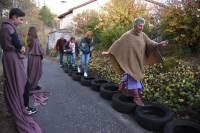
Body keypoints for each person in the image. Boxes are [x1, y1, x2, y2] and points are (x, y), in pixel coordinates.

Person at [102, 17, 168, 106]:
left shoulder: (143, 35)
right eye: (140, 26)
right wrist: (109, 52)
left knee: (134, 75)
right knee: (134, 76)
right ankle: (136, 98)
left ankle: (122, 85)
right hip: (130, 60)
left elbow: (150, 43)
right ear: (135, 25)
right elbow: (118, 43)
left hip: (139, 60)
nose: (142, 28)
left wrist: (159, 44)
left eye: (142, 26)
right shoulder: (127, 35)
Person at [0, 8, 42, 132]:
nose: (21, 22)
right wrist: (21, 48)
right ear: (14, 17)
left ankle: (19, 105)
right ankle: (23, 107)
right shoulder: (9, 28)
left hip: (8, 57)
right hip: (12, 58)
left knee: (15, 83)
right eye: (20, 19)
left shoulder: (5, 27)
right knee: (22, 83)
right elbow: (20, 46)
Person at [27, 26, 44, 91]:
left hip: (31, 57)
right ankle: (31, 87)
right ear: (34, 31)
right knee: (35, 72)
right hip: (35, 57)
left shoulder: (29, 38)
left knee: (31, 72)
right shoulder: (35, 39)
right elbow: (40, 49)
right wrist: (42, 53)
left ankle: (33, 85)